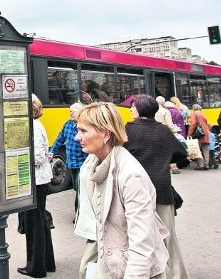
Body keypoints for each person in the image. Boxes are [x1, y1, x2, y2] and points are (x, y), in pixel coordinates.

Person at [74, 101, 169, 279]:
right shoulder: (95, 166)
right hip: (112, 268)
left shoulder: (131, 176)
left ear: (105, 134)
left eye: (84, 131)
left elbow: (142, 244)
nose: (77, 137)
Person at [123, 95, 190, 279]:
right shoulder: (163, 131)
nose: (130, 109)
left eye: (133, 106)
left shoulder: (129, 130)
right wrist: (164, 161)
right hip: (162, 190)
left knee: (136, 235)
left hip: (136, 190)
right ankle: (177, 274)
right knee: (168, 237)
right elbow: (181, 154)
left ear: (140, 109)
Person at [17, 94, 56, 278]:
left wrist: (18, 159)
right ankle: (47, 262)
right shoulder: (36, 125)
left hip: (35, 180)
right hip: (39, 180)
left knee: (34, 225)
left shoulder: (33, 126)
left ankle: (36, 267)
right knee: (40, 222)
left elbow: (39, 157)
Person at [49, 102, 86, 213]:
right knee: (76, 189)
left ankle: (79, 216)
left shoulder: (85, 126)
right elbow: (59, 139)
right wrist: (51, 152)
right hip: (71, 164)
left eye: (72, 112)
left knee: (81, 191)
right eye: (70, 111)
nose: (70, 113)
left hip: (82, 163)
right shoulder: (68, 124)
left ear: (80, 113)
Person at [74, 159, 97, 279]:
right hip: (92, 228)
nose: (77, 138)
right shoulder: (93, 156)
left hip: (98, 230)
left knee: (85, 270)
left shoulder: (107, 161)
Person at [188, 104, 211, 170]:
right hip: (206, 132)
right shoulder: (202, 113)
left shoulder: (194, 114)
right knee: (206, 149)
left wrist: (189, 133)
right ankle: (206, 164)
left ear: (193, 108)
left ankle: (200, 165)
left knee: (196, 149)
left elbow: (193, 124)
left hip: (199, 134)